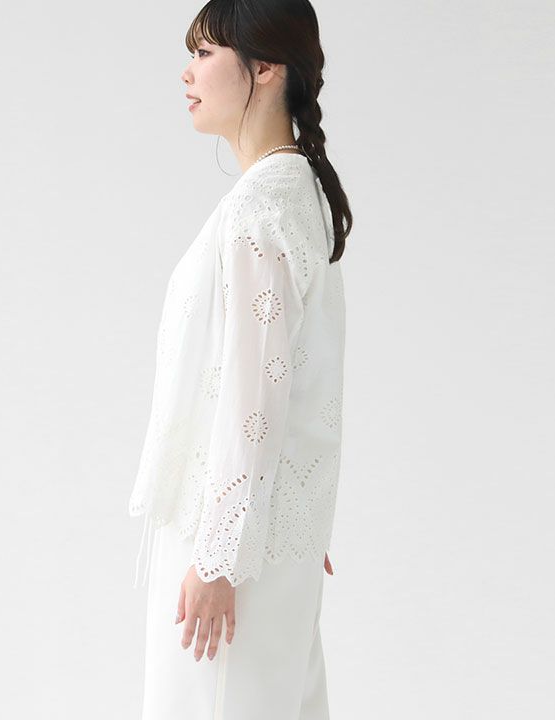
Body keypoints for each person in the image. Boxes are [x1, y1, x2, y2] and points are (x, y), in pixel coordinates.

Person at [128, 0, 353, 717]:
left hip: (228, 549)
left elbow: (254, 396)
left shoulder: (262, 207)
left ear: (266, 68)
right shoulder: (296, 193)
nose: (186, 73)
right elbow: (294, 374)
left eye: (204, 54)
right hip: (260, 537)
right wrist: (286, 514)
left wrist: (220, 556)